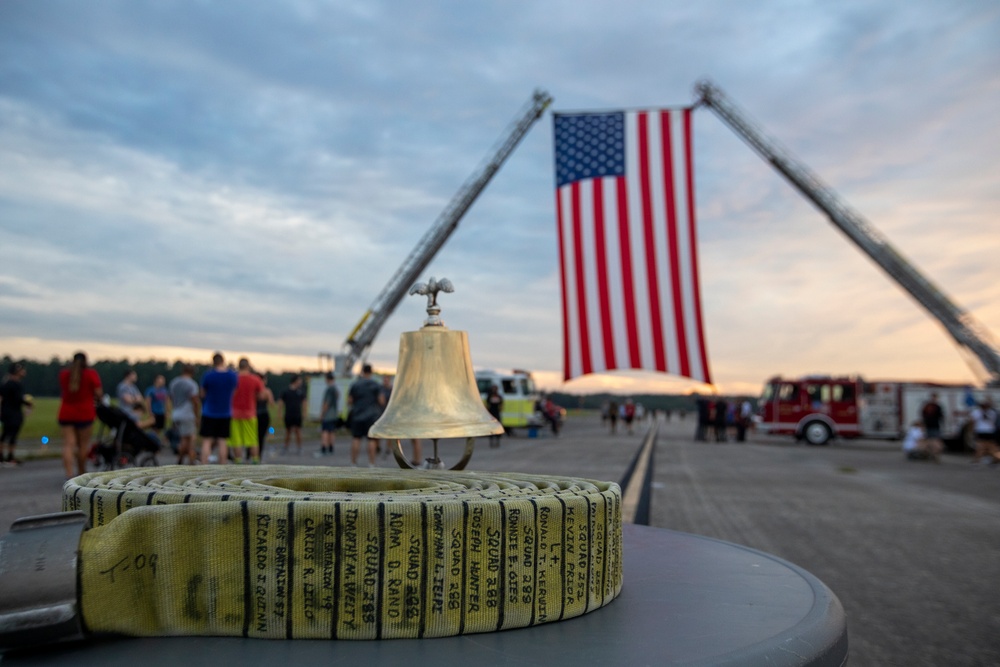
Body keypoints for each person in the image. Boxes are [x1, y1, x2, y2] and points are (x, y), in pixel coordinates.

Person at [57, 352, 103, 478]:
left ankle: (69, 473)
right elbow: (99, 393)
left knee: (68, 444)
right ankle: (81, 471)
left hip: (66, 413)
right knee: (83, 445)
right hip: (85, 413)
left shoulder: (64, 374)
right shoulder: (91, 374)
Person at [199, 352, 238, 464]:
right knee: (222, 440)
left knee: (207, 441)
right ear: (223, 361)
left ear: (213, 362)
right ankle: (222, 465)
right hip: (225, 412)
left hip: (209, 412)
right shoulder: (231, 375)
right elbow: (234, 391)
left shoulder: (208, 375)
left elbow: (202, 393)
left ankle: (204, 465)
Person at [348, 364, 385, 466]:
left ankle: (353, 463)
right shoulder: (376, 385)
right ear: (371, 372)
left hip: (357, 415)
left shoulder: (355, 384)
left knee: (356, 438)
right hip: (371, 415)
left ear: (362, 372)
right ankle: (371, 464)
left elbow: (350, 401)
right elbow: (381, 401)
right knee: (371, 440)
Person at [230, 358, 265, 464]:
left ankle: (238, 462)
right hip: (250, 413)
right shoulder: (255, 379)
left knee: (237, 440)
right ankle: (255, 461)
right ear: (248, 366)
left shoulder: (233, 379)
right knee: (253, 439)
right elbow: (262, 396)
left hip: (234, 413)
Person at [0, 363, 33, 466]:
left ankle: (2, 456)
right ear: (17, 372)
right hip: (13, 412)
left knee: (5, 434)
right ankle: (10, 456)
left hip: (7, 412)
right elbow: (18, 398)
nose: (24, 372)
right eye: (22, 370)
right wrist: (28, 403)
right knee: (12, 434)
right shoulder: (14, 384)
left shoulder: (6, 383)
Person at [168, 364, 200, 464]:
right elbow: (195, 401)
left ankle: (181, 459)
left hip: (176, 413)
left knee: (183, 438)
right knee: (190, 438)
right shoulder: (192, 384)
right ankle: (190, 461)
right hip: (187, 414)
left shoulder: (174, 382)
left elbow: (171, 398)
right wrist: (197, 416)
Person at [280, 374, 307, 455]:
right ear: (295, 381)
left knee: (298, 431)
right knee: (288, 432)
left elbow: (304, 402)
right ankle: (285, 447)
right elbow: (281, 402)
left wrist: (304, 413)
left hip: (297, 414)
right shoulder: (286, 391)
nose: (301, 382)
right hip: (288, 414)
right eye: (299, 380)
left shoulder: (300, 392)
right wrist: (280, 413)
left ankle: (299, 448)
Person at [968, 399, 1000, 465]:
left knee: (980, 447)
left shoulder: (976, 412)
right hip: (990, 430)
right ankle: (994, 460)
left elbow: (972, 422)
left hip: (981, 430)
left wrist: (971, 431)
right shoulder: (992, 412)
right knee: (991, 447)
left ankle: (977, 461)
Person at [319, 372, 340, 457]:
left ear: (327, 379)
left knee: (325, 431)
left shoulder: (329, 389)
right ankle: (331, 448)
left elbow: (326, 403)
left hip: (328, 414)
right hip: (334, 414)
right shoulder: (335, 389)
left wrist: (322, 413)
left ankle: (324, 448)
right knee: (332, 431)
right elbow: (338, 396)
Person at [255, 373, 275, 460]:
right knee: (261, 436)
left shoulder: (254, 391)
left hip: (254, 415)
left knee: (252, 436)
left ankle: (250, 453)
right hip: (264, 415)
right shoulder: (267, 391)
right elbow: (272, 403)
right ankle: (259, 455)